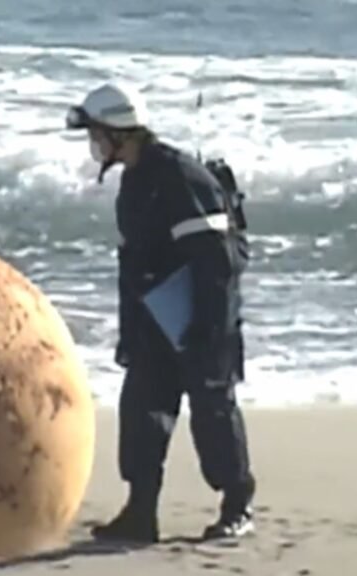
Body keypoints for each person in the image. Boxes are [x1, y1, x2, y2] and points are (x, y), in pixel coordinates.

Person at [64, 83, 256, 543]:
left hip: (202, 319)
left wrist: (206, 328)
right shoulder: (135, 179)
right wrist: (132, 334)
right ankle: (140, 513)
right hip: (156, 320)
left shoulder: (180, 177)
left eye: (97, 134)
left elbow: (218, 260)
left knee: (213, 413)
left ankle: (237, 507)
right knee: (142, 413)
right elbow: (137, 264)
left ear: (121, 133)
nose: (94, 145)